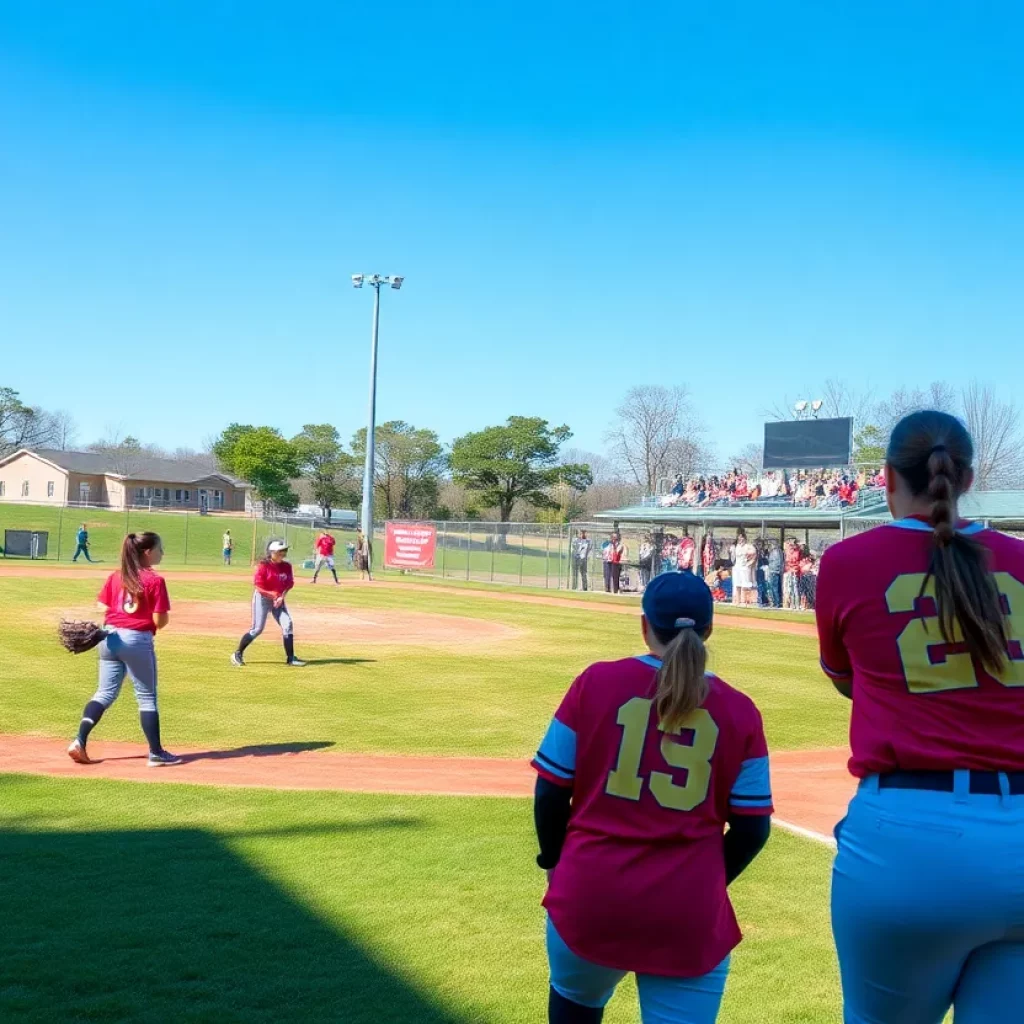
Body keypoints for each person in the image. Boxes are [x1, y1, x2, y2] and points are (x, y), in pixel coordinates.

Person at [816, 410, 1024, 1024]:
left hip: (910, 834)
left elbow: (847, 679)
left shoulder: (851, 562)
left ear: (885, 479)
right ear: (968, 477)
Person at [532, 571, 773, 1024]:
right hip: (688, 910)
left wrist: (553, 860)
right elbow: (752, 827)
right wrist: (706, 877)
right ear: (709, 630)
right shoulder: (740, 710)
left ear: (645, 625)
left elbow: (549, 792)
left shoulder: (595, 683)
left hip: (591, 894)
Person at [66, 532, 181, 767]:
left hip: (108, 637)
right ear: (147, 552)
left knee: (104, 694)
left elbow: (102, 605)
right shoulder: (155, 580)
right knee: (147, 698)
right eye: (160, 548)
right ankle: (156, 753)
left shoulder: (116, 576)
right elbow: (160, 621)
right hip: (136, 639)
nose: (162, 552)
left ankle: (79, 740)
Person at [231, 540, 306, 667]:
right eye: (281, 551)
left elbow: (289, 584)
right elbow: (259, 587)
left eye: (285, 551)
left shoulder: (287, 566)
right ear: (272, 552)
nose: (283, 553)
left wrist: (281, 597)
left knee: (287, 624)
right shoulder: (264, 566)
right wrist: (273, 596)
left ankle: (291, 658)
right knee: (257, 629)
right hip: (262, 598)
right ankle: (237, 654)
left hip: (278, 599)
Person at [732, 530, 757, 606]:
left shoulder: (748, 546)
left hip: (744, 568)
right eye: (739, 538)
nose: (740, 539)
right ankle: (738, 601)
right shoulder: (736, 546)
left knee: (745, 585)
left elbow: (754, 554)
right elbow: (733, 558)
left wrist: (748, 563)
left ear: (744, 538)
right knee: (737, 584)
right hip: (737, 567)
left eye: (742, 537)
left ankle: (746, 601)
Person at [782, 538, 801, 609]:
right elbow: (785, 545)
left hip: (794, 571)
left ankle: (796, 605)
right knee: (788, 588)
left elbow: (795, 559)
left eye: (793, 543)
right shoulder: (788, 550)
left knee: (795, 588)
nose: (791, 544)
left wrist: (794, 544)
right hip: (788, 571)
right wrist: (789, 542)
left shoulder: (797, 551)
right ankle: (789, 604)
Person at [766, 540, 783, 608]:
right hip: (775, 571)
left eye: (771, 545)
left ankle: (776, 603)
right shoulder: (777, 551)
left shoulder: (776, 552)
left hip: (774, 571)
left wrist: (773, 570)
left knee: (774, 588)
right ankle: (776, 602)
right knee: (775, 587)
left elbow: (777, 563)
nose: (770, 546)